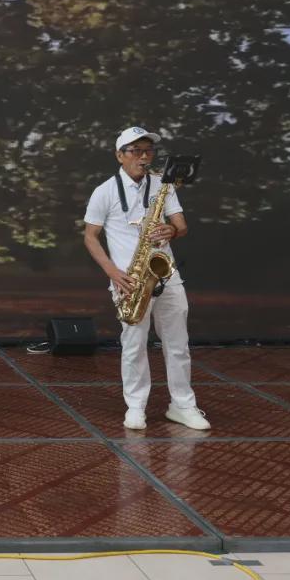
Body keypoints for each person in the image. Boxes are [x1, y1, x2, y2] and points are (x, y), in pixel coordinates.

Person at [83, 126, 210, 431]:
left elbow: (181, 225)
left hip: (166, 274)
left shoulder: (163, 184)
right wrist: (113, 272)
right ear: (120, 155)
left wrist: (172, 230)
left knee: (178, 344)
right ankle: (136, 407)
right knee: (134, 346)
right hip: (129, 279)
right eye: (136, 151)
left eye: (148, 151)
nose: (143, 157)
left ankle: (182, 405)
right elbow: (90, 236)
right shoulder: (105, 191)